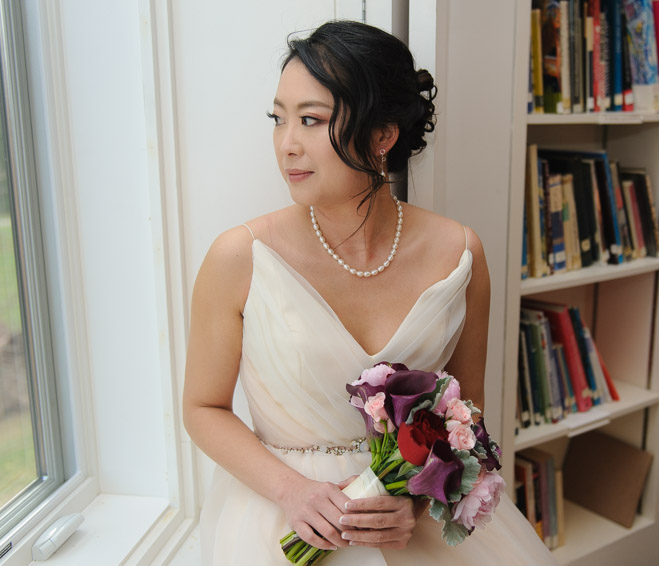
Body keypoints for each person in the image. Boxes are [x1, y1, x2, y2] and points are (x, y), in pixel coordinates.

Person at [183, 20, 557, 566]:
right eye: (278, 119)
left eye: (311, 120)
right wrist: (292, 491)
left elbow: (466, 417)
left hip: (407, 520)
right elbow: (202, 407)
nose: (287, 144)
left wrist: (418, 501)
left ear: (383, 135)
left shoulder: (460, 253)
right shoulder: (239, 256)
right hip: (280, 516)